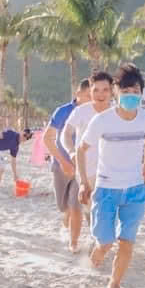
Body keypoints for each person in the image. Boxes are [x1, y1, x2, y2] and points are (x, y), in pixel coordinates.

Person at [76, 64, 145, 288]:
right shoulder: (102, 121)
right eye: (126, 91)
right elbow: (81, 149)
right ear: (116, 92)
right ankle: (97, 255)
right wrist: (83, 182)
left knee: (127, 242)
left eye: (135, 92)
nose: (131, 96)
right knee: (106, 242)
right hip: (106, 189)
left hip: (135, 189)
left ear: (141, 93)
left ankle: (115, 283)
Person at [44, 79, 91, 250]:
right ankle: (66, 218)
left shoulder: (95, 112)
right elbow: (47, 139)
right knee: (63, 207)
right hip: (61, 166)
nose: (92, 99)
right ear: (78, 94)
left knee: (76, 205)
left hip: (83, 167)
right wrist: (63, 162)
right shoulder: (63, 111)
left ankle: (74, 242)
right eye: (88, 96)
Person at [64, 71, 114, 223]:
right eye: (96, 90)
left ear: (112, 91)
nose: (101, 94)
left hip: (112, 172)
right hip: (87, 172)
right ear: (90, 91)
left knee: (107, 213)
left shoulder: (117, 112)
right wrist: (71, 152)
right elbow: (66, 134)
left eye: (105, 90)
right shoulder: (81, 111)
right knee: (93, 212)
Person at [0, 127, 33, 198]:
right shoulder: (12, 134)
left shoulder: (16, 146)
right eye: (25, 135)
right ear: (21, 132)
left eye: (28, 138)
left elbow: (13, 161)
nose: (25, 138)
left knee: (0, 168)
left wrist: (15, 175)